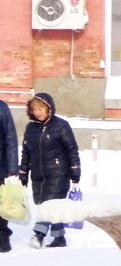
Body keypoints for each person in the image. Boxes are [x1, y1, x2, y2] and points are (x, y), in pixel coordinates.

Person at [19, 93, 80, 249]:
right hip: (38, 174)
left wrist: (75, 170)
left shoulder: (61, 125)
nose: (37, 112)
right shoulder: (31, 128)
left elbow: (72, 149)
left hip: (58, 173)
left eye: (41, 108)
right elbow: (26, 151)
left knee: (48, 205)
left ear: (49, 109)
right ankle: (59, 239)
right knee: (53, 206)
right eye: (34, 109)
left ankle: (38, 235)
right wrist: (24, 171)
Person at [0, 100, 19, 253]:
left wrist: (12, 168)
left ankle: (2, 238)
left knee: (1, 206)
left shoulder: (2, 108)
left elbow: (10, 138)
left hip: (0, 166)